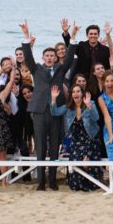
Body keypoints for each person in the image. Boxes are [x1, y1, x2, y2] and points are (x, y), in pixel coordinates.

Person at [19, 19, 75, 191]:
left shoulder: (60, 69)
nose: (50, 58)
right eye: (47, 56)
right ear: (43, 58)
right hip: (39, 111)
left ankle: (52, 180)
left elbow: (71, 56)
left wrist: (72, 36)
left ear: (56, 58)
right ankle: (41, 182)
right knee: (41, 146)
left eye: (52, 56)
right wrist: (26, 36)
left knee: (54, 147)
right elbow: (27, 56)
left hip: (56, 111)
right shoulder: (36, 69)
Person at [51, 85, 103, 192]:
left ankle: (90, 178)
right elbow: (54, 112)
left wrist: (89, 106)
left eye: (78, 91)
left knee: (87, 157)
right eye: (73, 92)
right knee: (75, 160)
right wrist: (53, 98)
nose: (75, 93)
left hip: (91, 138)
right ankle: (79, 180)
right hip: (76, 140)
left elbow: (96, 118)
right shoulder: (68, 107)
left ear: (82, 93)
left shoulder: (90, 103)